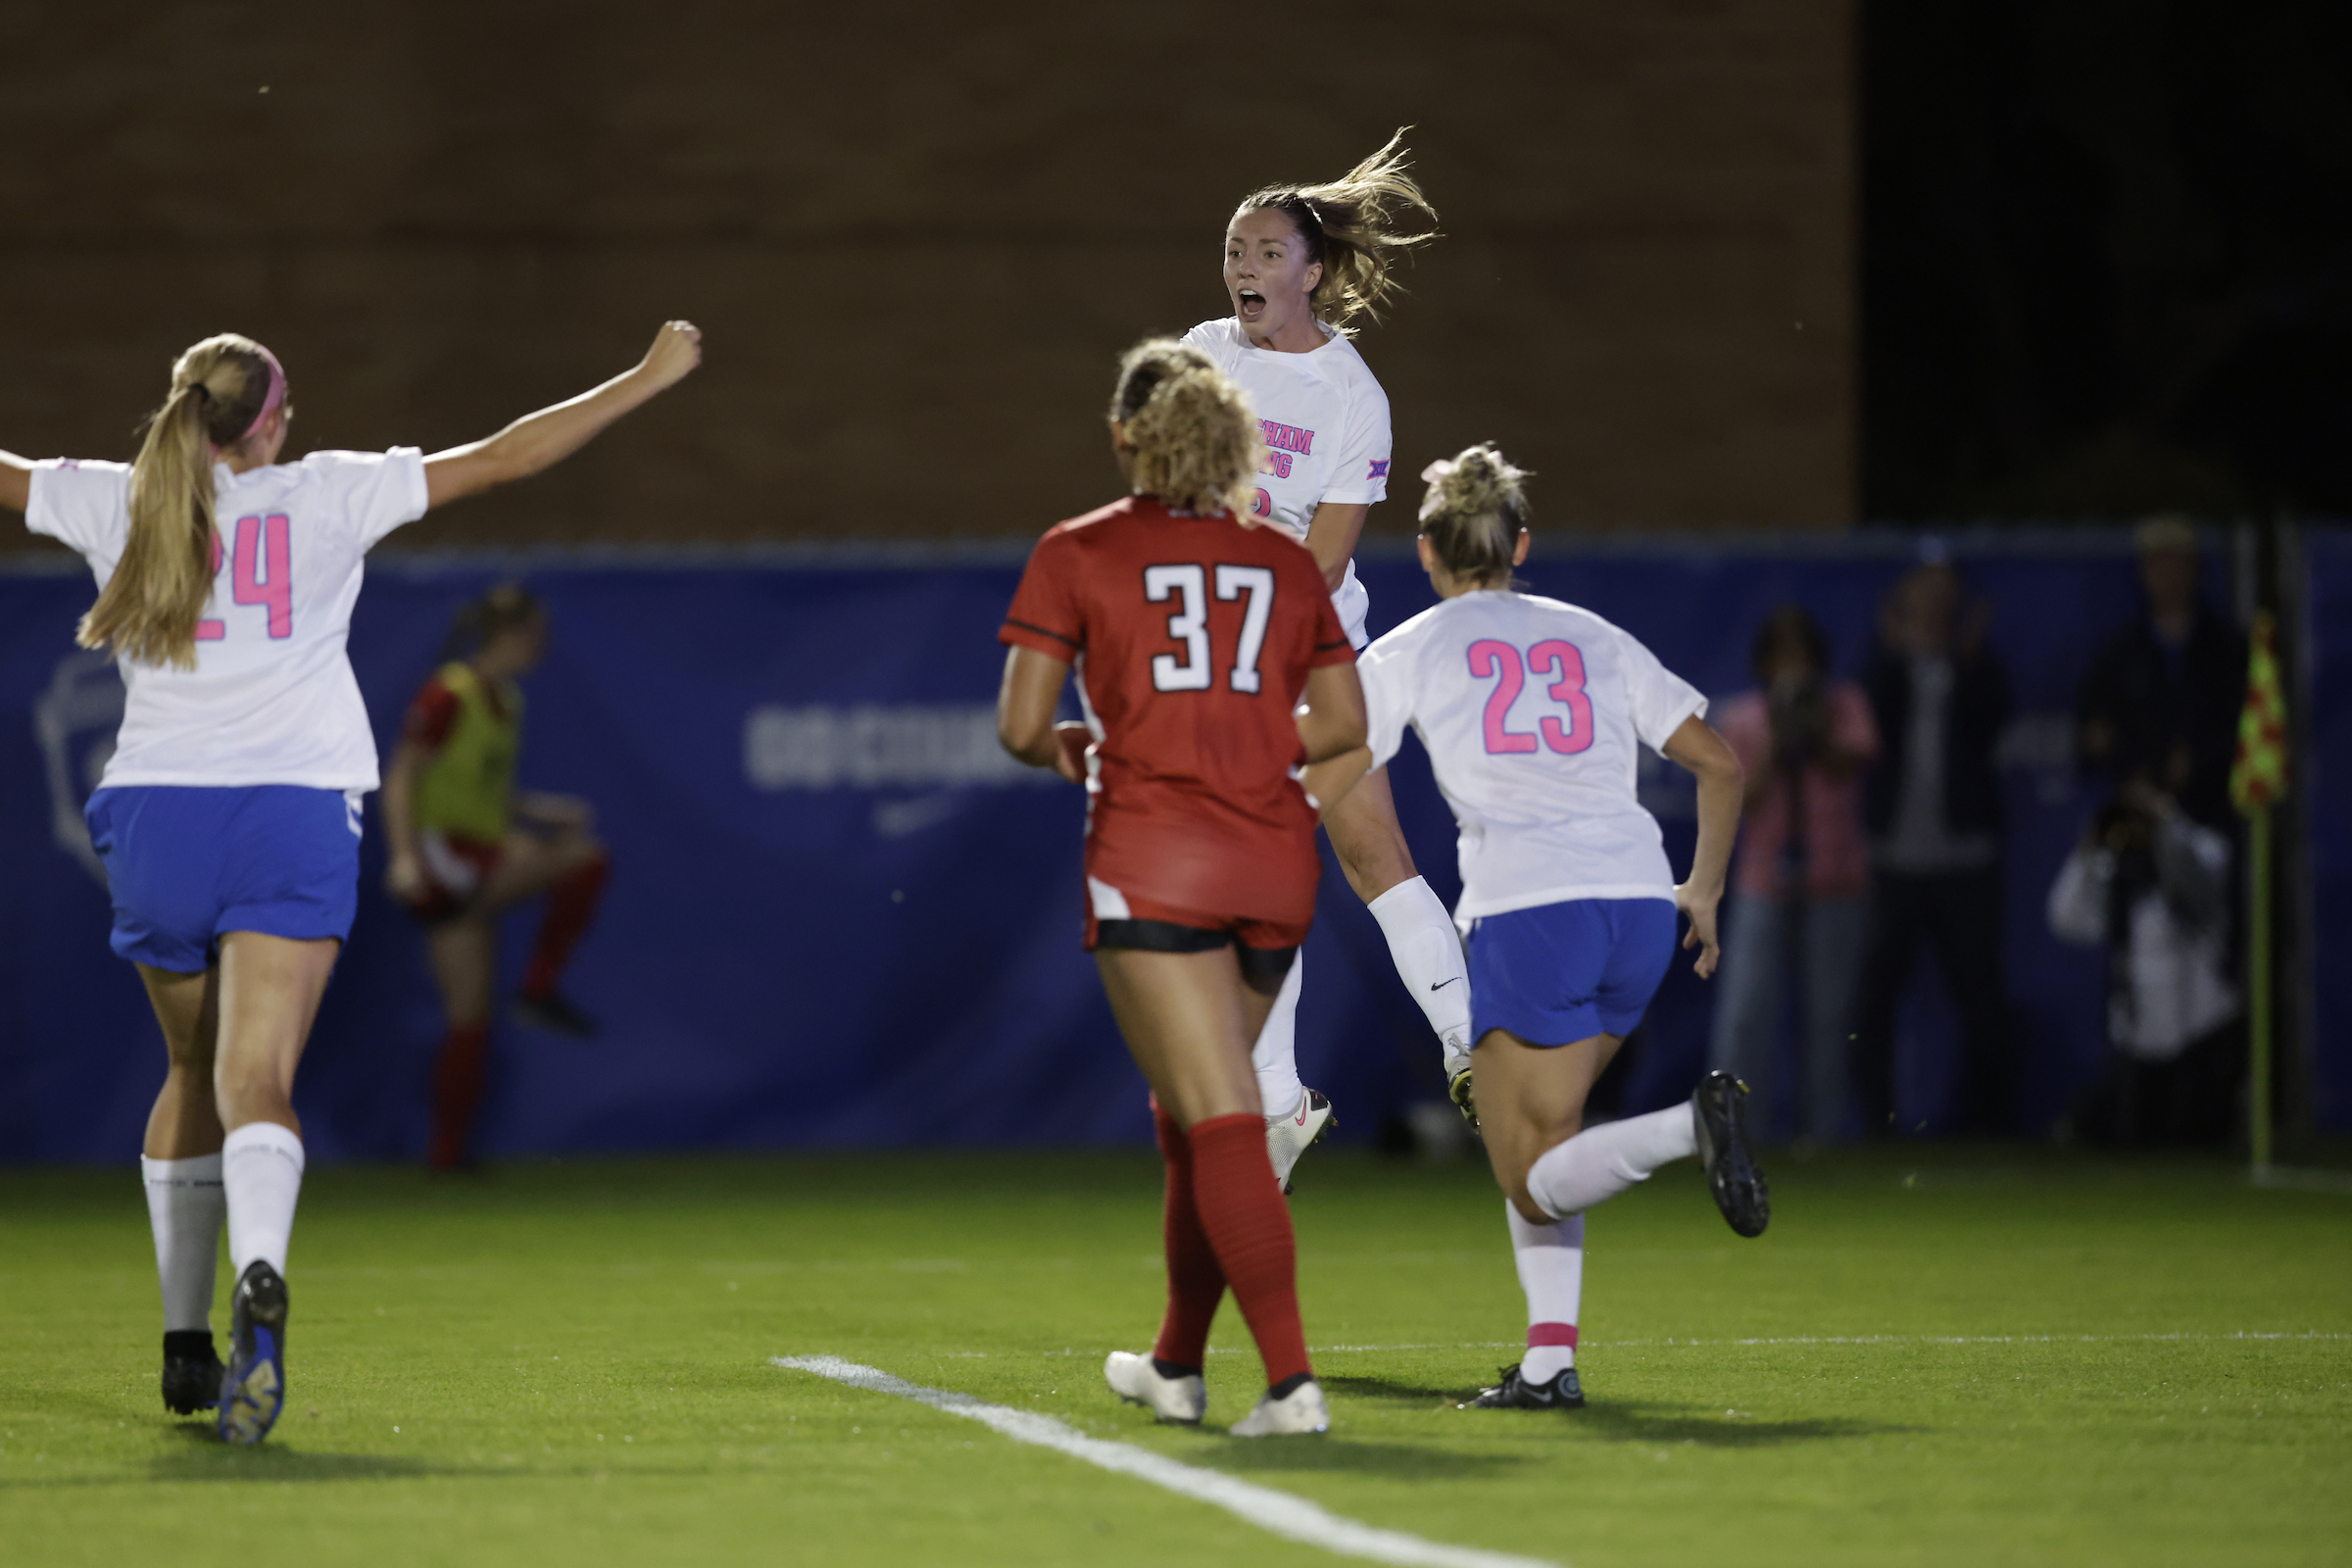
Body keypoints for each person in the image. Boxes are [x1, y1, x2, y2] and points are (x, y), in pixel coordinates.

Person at [0, 320, 703, 1445]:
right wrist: (644, 377)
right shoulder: (328, 493)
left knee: (189, 1067)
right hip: (289, 810)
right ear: (273, 419)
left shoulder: (117, 496)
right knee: (259, 1081)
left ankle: (186, 1337)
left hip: (158, 813)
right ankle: (262, 1274)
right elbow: (512, 453)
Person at [996, 339, 1372, 1437]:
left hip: (1157, 853)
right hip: (1270, 859)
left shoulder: (1079, 549)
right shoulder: (1288, 561)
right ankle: (1175, 1361)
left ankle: (1295, 1384)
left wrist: (1081, 748)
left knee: (1219, 1116)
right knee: (1191, 1112)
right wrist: (1248, 748)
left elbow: (1020, 727)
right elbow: (1342, 725)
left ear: (1126, 437)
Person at [1353, 445, 1762, 1412]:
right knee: (1553, 1141)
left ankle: (1683, 1127)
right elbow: (1723, 765)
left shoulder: (1409, 647)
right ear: (1520, 543)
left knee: (1531, 1175)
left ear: (1425, 552)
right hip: (1636, 907)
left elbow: (1324, 756)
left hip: (1532, 911)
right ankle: (1548, 1361)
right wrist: (1701, 890)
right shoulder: (1594, 633)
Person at [1177, 131, 1467, 1185]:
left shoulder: (1353, 395)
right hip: (1228, 652)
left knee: (1331, 863)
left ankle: (1416, 1068)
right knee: (1355, 854)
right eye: (1234, 249)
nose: (1244, 267)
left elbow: (1328, 554)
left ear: (1311, 270)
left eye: (1264, 251)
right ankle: (1411, 1061)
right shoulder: (1205, 352)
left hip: (1309, 650)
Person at [382, 583, 611, 1172]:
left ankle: (448, 1154)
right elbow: (404, 776)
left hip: (477, 848)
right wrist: (404, 856)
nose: (543, 647)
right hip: (447, 856)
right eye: (535, 634)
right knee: (583, 858)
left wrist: (538, 810)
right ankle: (539, 988)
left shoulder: (505, 702)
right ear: (509, 635)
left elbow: (479, 790)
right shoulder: (449, 693)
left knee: (469, 1016)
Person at [1851, 556, 2015, 1135]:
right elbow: (1869, 722)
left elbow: (1995, 720)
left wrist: (1970, 656)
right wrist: (1895, 652)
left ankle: (1986, 1125)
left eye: (1946, 591)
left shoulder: (1975, 663)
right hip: (1896, 861)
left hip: (1965, 861)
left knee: (1980, 999)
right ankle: (1877, 1125)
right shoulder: (1885, 665)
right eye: (1924, 590)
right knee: (1874, 1002)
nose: (1934, 603)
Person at [1707, 607, 1880, 1142]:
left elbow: (1849, 763)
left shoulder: (1844, 705)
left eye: (1802, 655)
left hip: (1837, 884)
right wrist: (1779, 741)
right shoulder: (1743, 717)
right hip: (1765, 883)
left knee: (1831, 1021)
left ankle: (1823, 1138)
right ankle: (1735, 1137)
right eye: (1782, 656)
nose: (1793, 668)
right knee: (1745, 1016)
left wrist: (1814, 727)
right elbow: (1738, 799)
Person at [2047, 790, 2242, 1145]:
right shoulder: (2116, 873)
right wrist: (2087, 852)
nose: (2135, 830)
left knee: (2196, 1136)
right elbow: (2065, 918)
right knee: (2124, 1133)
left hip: (2204, 1033)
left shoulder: (2204, 846)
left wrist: (2166, 823)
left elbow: (2195, 879)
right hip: (2143, 1043)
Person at [2078, 515, 2247, 833]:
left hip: (2213, 818)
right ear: (2143, 572)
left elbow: (2244, 728)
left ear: (2195, 569)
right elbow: (2094, 734)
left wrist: (2197, 760)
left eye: (2177, 562)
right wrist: (2137, 772)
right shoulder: (2119, 652)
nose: (2168, 575)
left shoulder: (2227, 649)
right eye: (2158, 563)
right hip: (2139, 824)